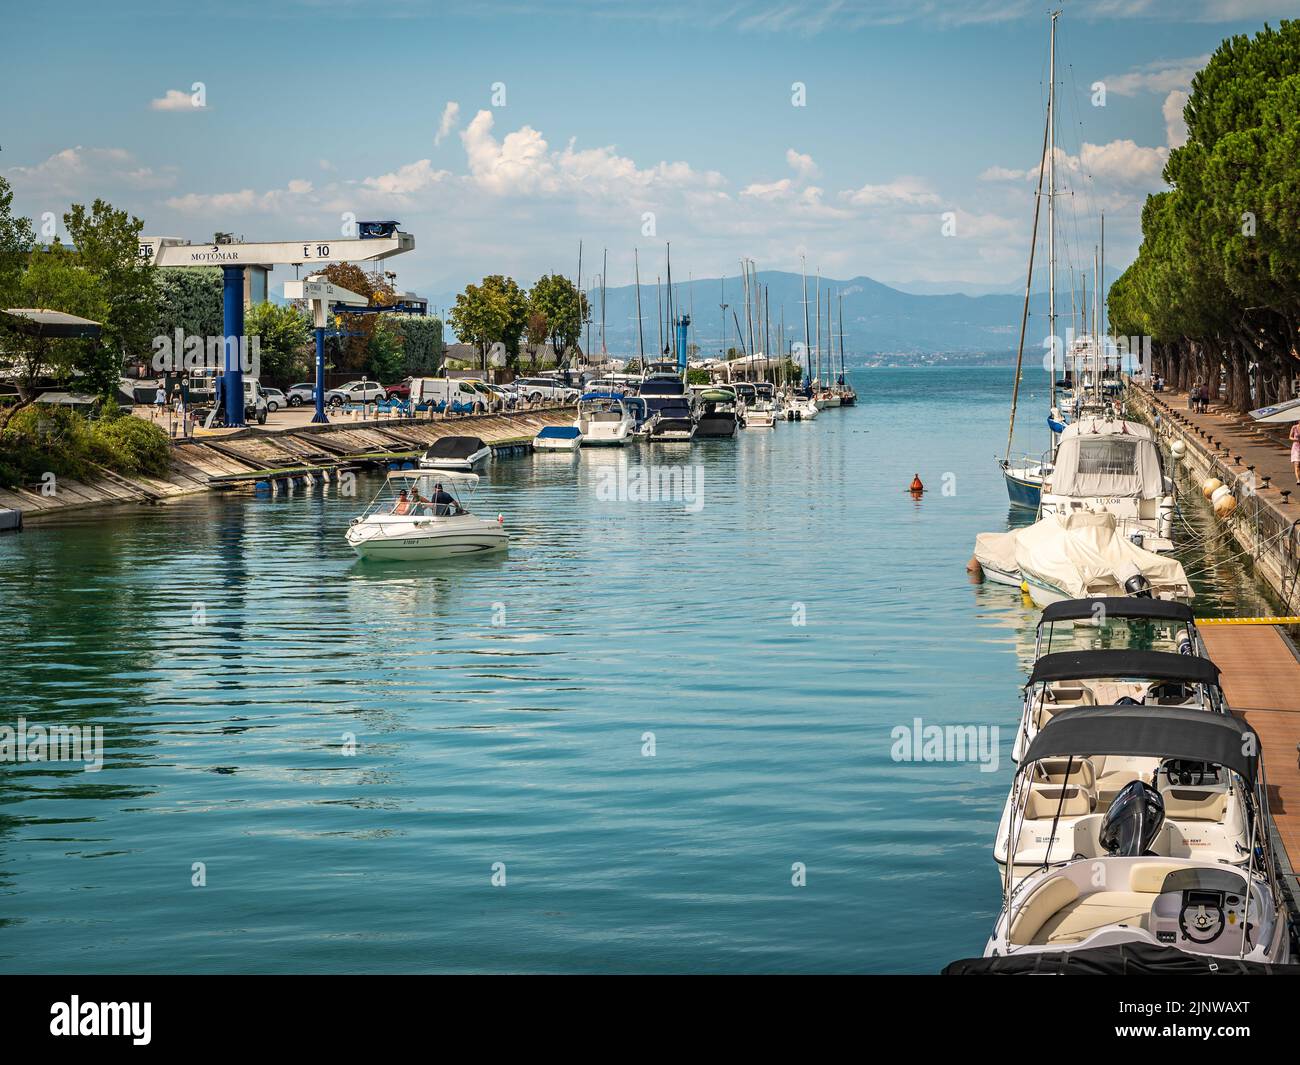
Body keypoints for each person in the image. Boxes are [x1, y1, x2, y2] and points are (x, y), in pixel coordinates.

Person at [1291, 421, 1300, 485]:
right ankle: (1298, 480)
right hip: (1296, 448)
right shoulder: (1294, 427)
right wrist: (1296, 440)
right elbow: (1290, 437)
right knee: (1297, 464)